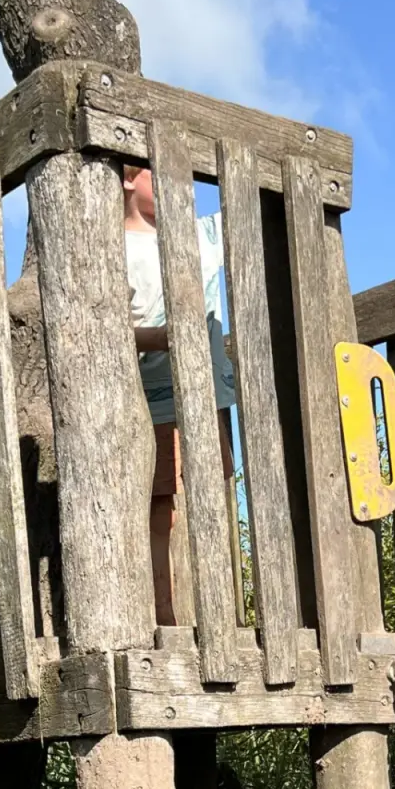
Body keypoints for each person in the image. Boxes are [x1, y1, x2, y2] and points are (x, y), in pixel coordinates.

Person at [122, 161, 239, 625]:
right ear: (130, 179)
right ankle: (164, 615)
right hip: (157, 396)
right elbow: (111, 327)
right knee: (162, 510)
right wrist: (166, 336)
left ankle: (223, 610)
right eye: (158, 172)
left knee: (217, 496)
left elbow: (246, 212)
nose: (177, 183)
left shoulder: (202, 235)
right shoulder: (117, 248)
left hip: (209, 395)